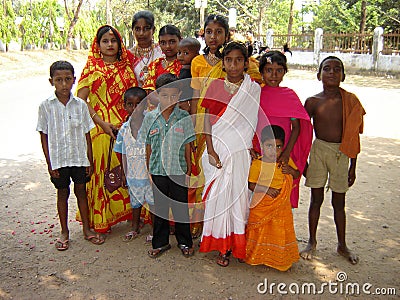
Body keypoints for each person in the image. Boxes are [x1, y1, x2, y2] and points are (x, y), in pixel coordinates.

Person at [199, 42, 261, 266]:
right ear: (223, 63)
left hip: (240, 150)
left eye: (238, 60)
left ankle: (236, 244)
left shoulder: (253, 89)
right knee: (218, 197)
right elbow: (206, 119)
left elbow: (251, 122)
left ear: (246, 63)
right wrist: (211, 149)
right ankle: (221, 246)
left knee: (237, 196)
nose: (233, 65)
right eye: (228, 60)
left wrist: (251, 145)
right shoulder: (215, 86)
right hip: (218, 147)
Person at [301, 56, 365, 265]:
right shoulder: (312, 102)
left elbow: (353, 136)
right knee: (316, 199)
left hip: (342, 152)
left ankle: (342, 244)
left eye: (337, 69)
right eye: (327, 68)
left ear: (343, 75)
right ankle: (311, 241)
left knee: (339, 202)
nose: (332, 72)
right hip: (319, 150)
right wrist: (304, 162)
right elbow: (302, 133)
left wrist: (353, 166)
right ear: (319, 75)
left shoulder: (351, 101)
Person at [36, 61, 105, 250]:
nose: (64, 84)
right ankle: (64, 231)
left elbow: (87, 134)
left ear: (74, 80)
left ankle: (87, 229)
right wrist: (50, 164)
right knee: (62, 194)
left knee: (81, 192)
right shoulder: (46, 107)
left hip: (79, 158)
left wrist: (89, 159)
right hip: (59, 160)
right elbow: (44, 136)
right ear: (52, 82)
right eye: (59, 80)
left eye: (68, 79)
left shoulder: (80, 106)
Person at [76, 25, 138, 233]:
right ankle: (101, 218)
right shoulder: (92, 69)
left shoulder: (127, 68)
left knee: (125, 170)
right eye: (105, 41)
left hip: (125, 127)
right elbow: (82, 101)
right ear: (98, 44)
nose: (110, 45)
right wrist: (103, 124)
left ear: (120, 44)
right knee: (101, 169)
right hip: (99, 128)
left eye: (114, 41)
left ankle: (127, 214)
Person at [141, 73, 196, 258]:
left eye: (174, 96)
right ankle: (160, 242)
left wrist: (189, 167)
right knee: (161, 208)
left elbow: (188, 144)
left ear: (179, 95)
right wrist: (148, 168)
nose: (169, 100)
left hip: (178, 170)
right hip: (157, 170)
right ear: (157, 95)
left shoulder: (184, 117)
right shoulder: (149, 118)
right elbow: (147, 145)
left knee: (181, 207)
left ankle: (184, 241)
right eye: (165, 96)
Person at [254, 51, 313, 208]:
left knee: (281, 192)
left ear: (284, 72)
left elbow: (297, 127)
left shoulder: (289, 96)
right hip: (260, 153)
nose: (274, 75)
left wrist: (286, 153)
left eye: (279, 70)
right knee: (259, 191)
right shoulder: (256, 93)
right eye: (268, 70)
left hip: (282, 153)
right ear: (261, 72)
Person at [246, 125, 300, 271]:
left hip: (281, 206)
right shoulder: (258, 164)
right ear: (262, 145)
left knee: (278, 231)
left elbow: (296, 174)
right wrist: (267, 190)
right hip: (261, 204)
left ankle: (278, 259)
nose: (273, 150)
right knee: (260, 230)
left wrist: (291, 171)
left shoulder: (284, 162)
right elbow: (251, 184)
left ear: (283, 147)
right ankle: (257, 256)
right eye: (269, 146)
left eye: (278, 146)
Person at [113, 87, 154, 242]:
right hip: (133, 175)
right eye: (130, 104)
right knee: (135, 203)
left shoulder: (151, 124)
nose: (135, 108)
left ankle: (155, 230)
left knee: (153, 204)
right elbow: (121, 151)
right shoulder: (124, 129)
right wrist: (124, 173)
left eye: (139, 104)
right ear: (125, 106)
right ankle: (135, 228)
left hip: (149, 174)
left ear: (146, 104)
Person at [142, 25, 182, 93]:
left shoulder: (185, 64)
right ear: (159, 44)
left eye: (172, 42)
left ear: (180, 41)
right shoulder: (155, 65)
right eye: (163, 43)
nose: (167, 46)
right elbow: (149, 92)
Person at [130, 10, 163, 87]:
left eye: (146, 28)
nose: (141, 33)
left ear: (153, 30)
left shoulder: (162, 51)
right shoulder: (127, 56)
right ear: (133, 31)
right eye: (137, 29)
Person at [177, 38, 200, 114]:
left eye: (186, 53)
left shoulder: (192, 71)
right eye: (179, 52)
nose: (181, 56)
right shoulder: (181, 69)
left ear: (196, 55)